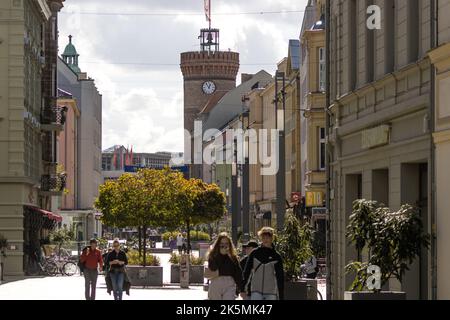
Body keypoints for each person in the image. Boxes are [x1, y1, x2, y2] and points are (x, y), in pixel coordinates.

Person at [243, 227, 284, 300]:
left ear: (272, 238)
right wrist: (242, 288)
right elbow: (247, 271)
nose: (266, 239)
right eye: (263, 237)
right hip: (256, 290)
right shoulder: (254, 253)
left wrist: (281, 296)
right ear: (261, 238)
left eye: (268, 237)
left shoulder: (276, 256)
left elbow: (280, 277)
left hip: (271, 291)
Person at [207, 232, 245, 300]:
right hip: (216, 281)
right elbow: (213, 268)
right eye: (222, 244)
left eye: (226, 244)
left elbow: (238, 273)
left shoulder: (233, 257)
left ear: (229, 245)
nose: (224, 246)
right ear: (218, 245)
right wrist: (220, 256)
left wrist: (241, 289)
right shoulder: (213, 255)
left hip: (229, 283)